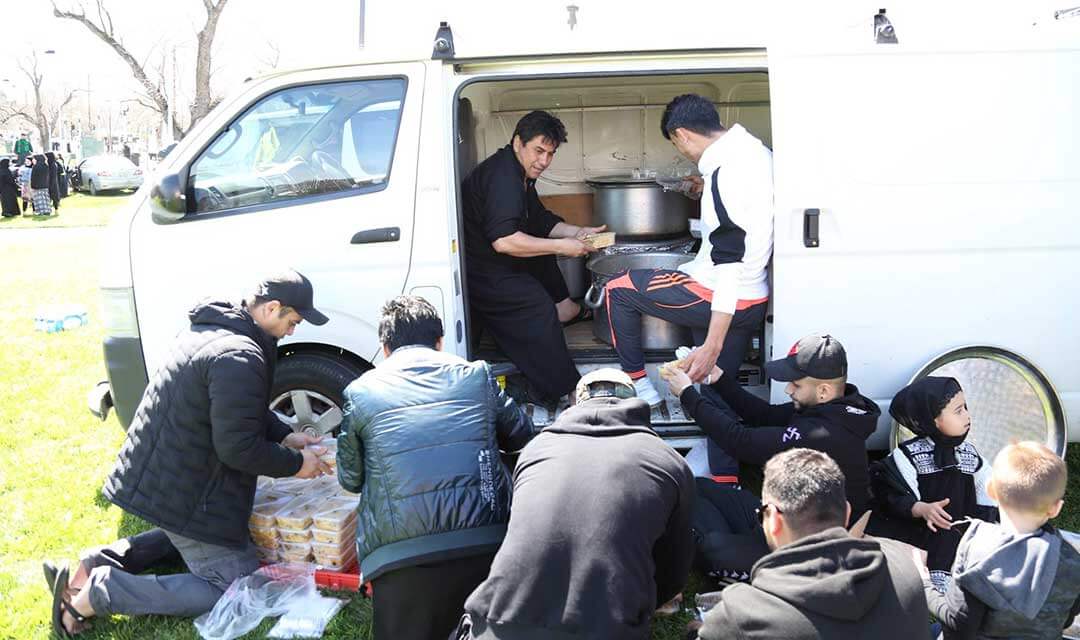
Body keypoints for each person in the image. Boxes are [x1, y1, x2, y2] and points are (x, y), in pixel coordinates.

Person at [45, 269, 332, 637]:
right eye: (292, 322)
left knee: (194, 535)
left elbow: (240, 410)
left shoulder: (217, 331)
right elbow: (238, 449)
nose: (292, 331)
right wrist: (296, 465)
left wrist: (285, 435)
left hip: (162, 474)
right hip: (183, 487)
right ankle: (101, 592)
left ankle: (93, 564)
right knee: (234, 584)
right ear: (272, 308)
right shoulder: (239, 355)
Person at [336, 295, 535, 640]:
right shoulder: (477, 375)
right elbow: (522, 435)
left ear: (385, 348)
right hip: (485, 540)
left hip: (399, 557)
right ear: (440, 341)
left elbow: (350, 479)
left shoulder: (361, 392)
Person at [605, 94, 773, 484]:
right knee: (715, 391)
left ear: (681, 135)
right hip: (754, 297)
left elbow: (729, 263)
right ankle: (727, 484)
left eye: (677, 145)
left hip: (719, 294)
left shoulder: (725, 174)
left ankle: (640, 385)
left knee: (618, 287)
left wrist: (712, 343)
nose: (682, 152)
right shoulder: (757, 153)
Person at [455, 368, 695, 640]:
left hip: (499, 626)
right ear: (635, 404)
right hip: (606, 630)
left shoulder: (535, 450)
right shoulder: (668, 461)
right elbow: (674, 566)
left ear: (576, 404)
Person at [663, 333, 880, 579]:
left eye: (796, 384)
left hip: (808, 550)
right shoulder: (832, 408)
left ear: (823, 390)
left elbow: (741, 442)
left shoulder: (823, 432)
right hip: (786, 519)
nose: (788, 389)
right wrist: (718, 378)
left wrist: (688, 395)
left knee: (711, 549)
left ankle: (737, 557)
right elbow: (764, 415)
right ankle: (734, 542)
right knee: (695, 487)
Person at [694, 448, 931, 640]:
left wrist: (700, 629)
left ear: (773, 520)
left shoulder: (743, 612)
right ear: (847, 513)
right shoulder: (905, 574)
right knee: (702, 491)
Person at [461, 110, 605, 404]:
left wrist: (578, 233)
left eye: (550, 154)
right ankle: (563, 390)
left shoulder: (519, 172)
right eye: (539, 151)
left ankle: (566, 309)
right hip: (484, 273)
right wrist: (562, 247)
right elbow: (504, 241)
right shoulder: (502, 178)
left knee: (543, 250)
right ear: (518, 143)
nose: (544, 161)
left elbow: (539, 219)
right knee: (537, 306)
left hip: (499, 259)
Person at [921, 441, 1079, 639]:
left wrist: (925, 583)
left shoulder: (977, 548)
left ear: (991, 491)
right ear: (1056, 508)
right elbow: (1066, 620)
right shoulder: (1073, 560)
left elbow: (959, 624)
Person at [869, 376, 998, 592]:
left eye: (965, 408)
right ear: (933, 420)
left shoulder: (969, 454)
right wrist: (920, 508)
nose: (967, 415)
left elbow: (987, 490)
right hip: (924, 535)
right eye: (958, 411)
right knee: (928, 578)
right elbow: (892, 494)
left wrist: (985, 524)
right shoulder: (908, 456)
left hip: (962, 534)